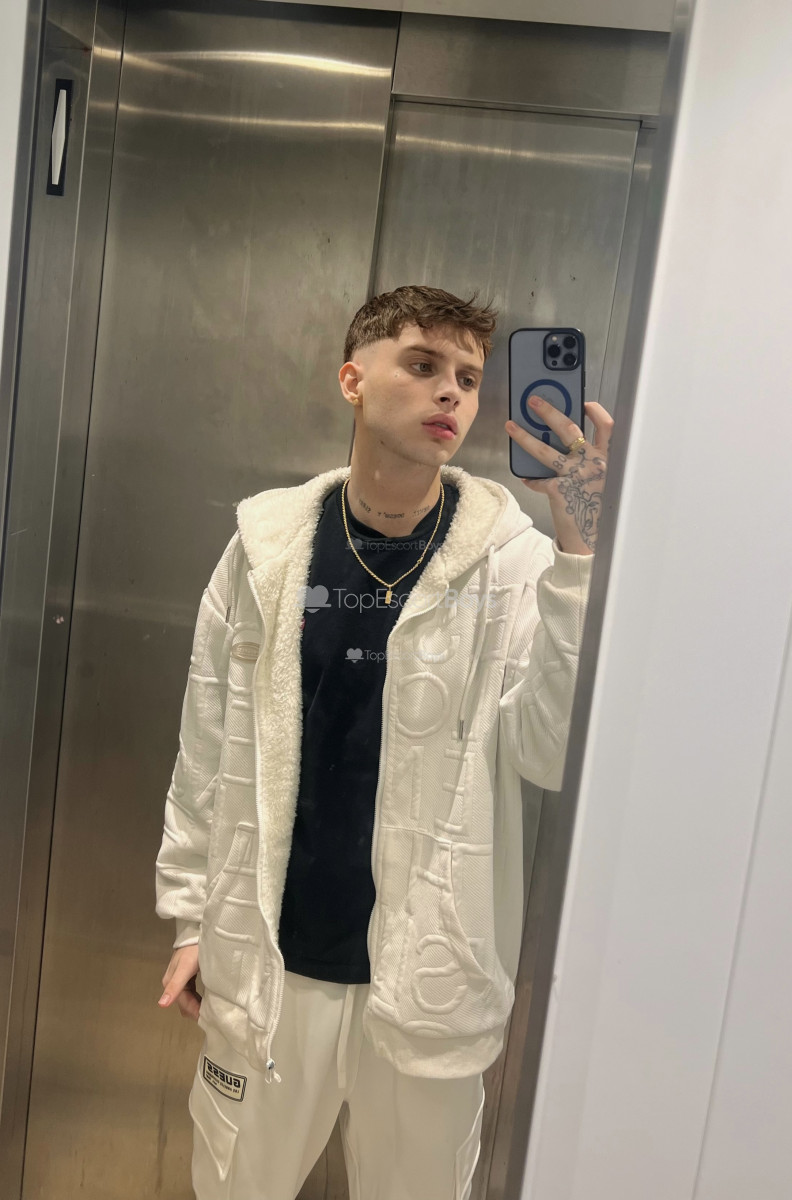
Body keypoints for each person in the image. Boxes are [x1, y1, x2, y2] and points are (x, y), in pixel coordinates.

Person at [155, 285, 611, 1199]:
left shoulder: (515, 564)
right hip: (272, 961)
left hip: (431, 975)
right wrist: (191, 918)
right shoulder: (265, 550)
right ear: (353, 380)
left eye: (469, 379)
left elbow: (553, 752)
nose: (451, 393)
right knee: (237, 1183)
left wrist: (578, 552)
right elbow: (206, 744)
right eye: (423, 365)